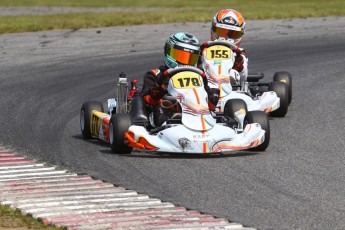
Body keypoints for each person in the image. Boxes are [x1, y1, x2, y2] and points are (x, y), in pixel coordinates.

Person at [141, 32, 219, 127]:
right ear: (168, 51)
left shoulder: (199, 75)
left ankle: (211, 123)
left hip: (196, 110)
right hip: (167, 116)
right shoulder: (155, 75)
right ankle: (172, 122)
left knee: (215, 94)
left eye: (190, 58)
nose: (185, 62)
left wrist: (211, 98)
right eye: (181, 56)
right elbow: (146, 100)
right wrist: (156, 94)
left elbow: (203, 95)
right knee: (168, 101)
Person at [210, 9, 248, 80]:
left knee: (232, 73)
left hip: (233, 87)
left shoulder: (240, 53)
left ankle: (231, 79)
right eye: (222, 32)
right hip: (207, 83)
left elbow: (243, 74)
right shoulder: (204, 50)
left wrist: (238, 63)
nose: (226, 38)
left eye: (233, 34)